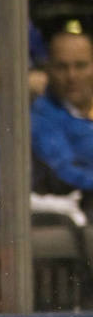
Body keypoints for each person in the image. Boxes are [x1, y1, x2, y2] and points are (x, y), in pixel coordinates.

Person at [31, 28, 93, 204]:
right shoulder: (42, 116)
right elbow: (63, 171)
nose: (71, 76)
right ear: (48, 69)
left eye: (80, 66)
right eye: (62, 67)